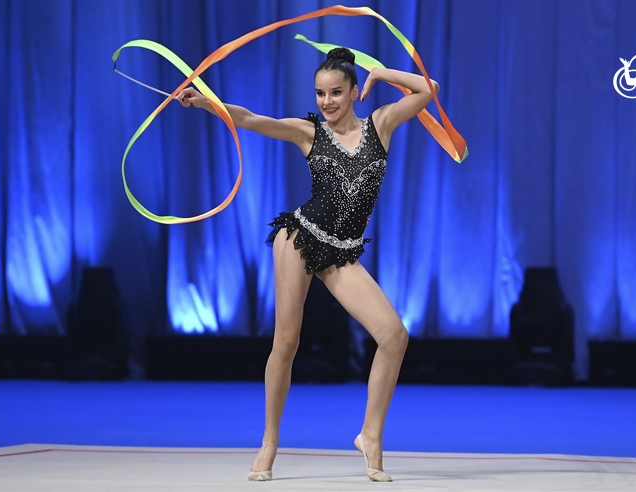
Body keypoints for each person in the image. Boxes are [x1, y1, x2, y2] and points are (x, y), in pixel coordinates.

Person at [177, 47, 440, 482]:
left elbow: (429, 89)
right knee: (287, 342)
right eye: (320, 93)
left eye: (337, 92)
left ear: (355, 92)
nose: (327, 102)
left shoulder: (381, 124)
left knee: (394, 335)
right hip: (301, 238)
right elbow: (250, 119)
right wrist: (205, 101)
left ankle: (370, 436)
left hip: (342, 250)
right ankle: (269, 443)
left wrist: (382, 72)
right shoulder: (309, 133)